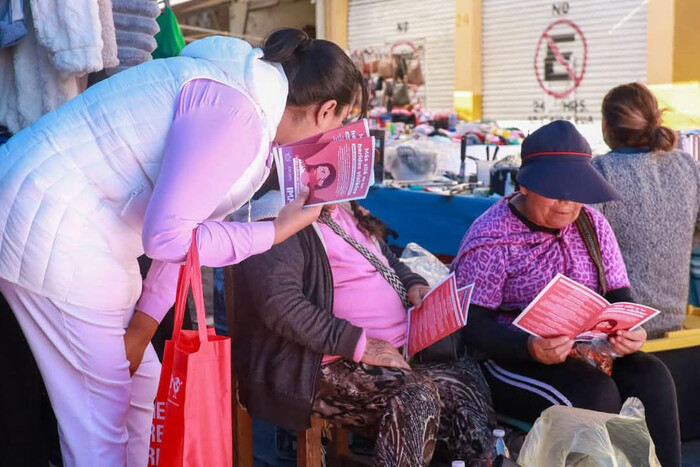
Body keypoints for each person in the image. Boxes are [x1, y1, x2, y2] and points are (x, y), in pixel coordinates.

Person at [0, 28, 364, 466]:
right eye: (343, 121)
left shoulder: (240, 97)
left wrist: (143, 326)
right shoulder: (237, 115)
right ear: (326, 110)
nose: (339, 132)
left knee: (143, 395)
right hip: (51, 224)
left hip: (78, 227)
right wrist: (273, 233)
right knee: (100, 418)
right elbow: (170, 238)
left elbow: (186, 231)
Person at [452, 120, 681, 467]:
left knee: (652, 376)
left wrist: (629, 331)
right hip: (509, 360)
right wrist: (528, 348)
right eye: (555, 191)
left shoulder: (592, 225)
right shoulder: (491, 237)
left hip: (589, 352)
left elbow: (620, 296)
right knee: (594, 393)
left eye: (575, 192)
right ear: (524, 185)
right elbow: (471, 324)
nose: (566, 204)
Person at [231, 193, 495, 466]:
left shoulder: (344, 208)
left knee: (466, 377)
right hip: (321, 363)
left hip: (394, 349)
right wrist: (362, 344)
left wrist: (413, 283)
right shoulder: (275, 216)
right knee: (416, 397)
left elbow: (386, 258)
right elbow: (280, 306)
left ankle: (481, 460)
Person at [593, 82, 700, 338]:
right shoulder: (687, 165)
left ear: (606, 126)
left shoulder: (599, 171)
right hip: (673, 321)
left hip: (616, 332)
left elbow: (580, 252)